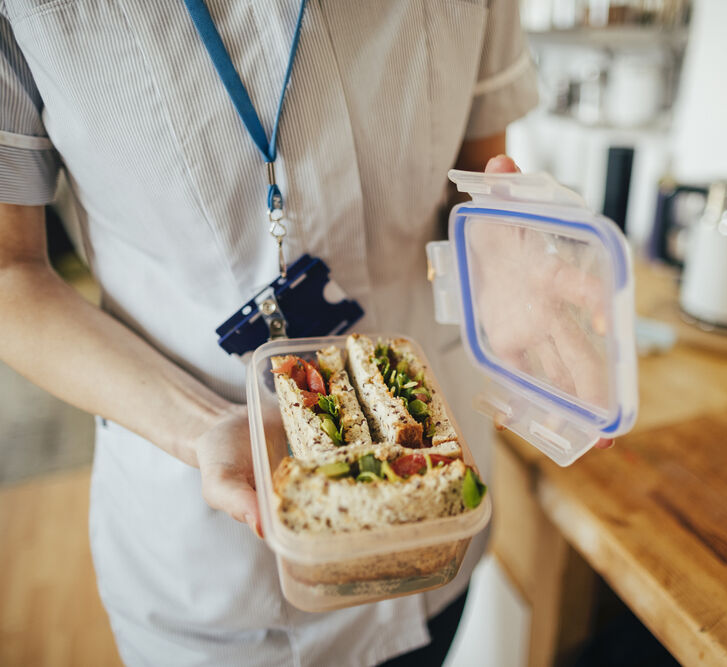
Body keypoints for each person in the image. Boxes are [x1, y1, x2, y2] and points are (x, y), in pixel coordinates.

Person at [0, 2, 541, 665]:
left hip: (433, 547)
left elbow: (479, 182)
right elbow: (9, 272)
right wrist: (201, 426)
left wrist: (504, 257)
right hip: (211, 576)